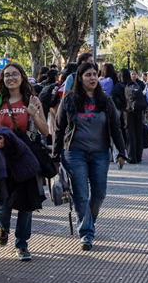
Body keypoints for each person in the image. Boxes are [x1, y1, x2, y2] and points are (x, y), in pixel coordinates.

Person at [52, 62, 127, 251]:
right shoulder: (68, 101)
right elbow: (59, 129)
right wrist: (55, 155)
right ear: (80, 78)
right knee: (82, 194)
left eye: (95, 74)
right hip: (74, 153)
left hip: (100, 153)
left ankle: (88, 222)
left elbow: (116, 128)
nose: (92, 78)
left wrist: (121, 152)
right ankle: (86, 233)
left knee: (99, 194)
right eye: (88, 75)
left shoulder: (106, 101)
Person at [0, 62, 49, 261]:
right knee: (3, 203)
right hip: (3, 159)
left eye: (15, 74)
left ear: (22, 77)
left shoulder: (32, 100)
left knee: (26, 204)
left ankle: (22, 244)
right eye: (7, 75)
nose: (11, 78)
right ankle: (3, 226)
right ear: (2, 79)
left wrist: (33, 114)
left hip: (25, 158)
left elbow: (45, 131)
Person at [121, 68, 145, 164]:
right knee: (138, 132)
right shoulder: (136, 85)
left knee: (130, 133)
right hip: (138, 110)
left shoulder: (121, 86)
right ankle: (139, 156)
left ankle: (131, 156)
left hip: (128, 111)